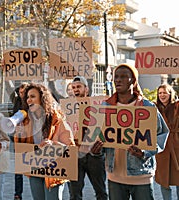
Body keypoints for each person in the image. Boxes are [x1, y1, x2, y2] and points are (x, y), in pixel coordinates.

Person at [92, 63, 169, 200]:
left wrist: (145, 152)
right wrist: (96, 150)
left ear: (133, 81)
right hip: (114, 176)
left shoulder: (147, 107)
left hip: (141, 175)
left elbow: (162, 134)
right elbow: (98, 135)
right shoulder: (105, 107)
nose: (118, 80)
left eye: (123, 76)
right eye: (116, 76)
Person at [14, 83, 75, 200]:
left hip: (54, 171)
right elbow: (21, 148)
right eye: (27, 97)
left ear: (42, 99)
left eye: (32, 96)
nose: (28, 100)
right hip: (36, 169)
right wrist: (18, 134)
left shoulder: (57, 120)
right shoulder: (26, 122)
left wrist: (54, 145)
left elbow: (70, 147)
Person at [69, 75, 108, 200]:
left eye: (79, 87)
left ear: (86, 89)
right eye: (73, 87)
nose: (76, 90)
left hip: (94, 153)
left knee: (101, 191)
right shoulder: (67, 108)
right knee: (74, 194)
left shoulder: (96, 104)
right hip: (75, 154)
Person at [155, 83, 179, 200]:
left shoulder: (177, 106)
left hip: (177, 146)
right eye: (160, 93)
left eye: (165, 93)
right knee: (163, 179)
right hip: (162, 147)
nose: (162, 95)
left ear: (170, 94)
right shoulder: (155, 108)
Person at [10, 82, 29, 200]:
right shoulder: (16, 101)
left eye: (23, 92)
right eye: (20, 92)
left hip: (30, 139)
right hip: (18, 139)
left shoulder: (32, 102)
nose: (21, 94)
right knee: (18, 169)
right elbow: (8, 86)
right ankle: (18, 194)